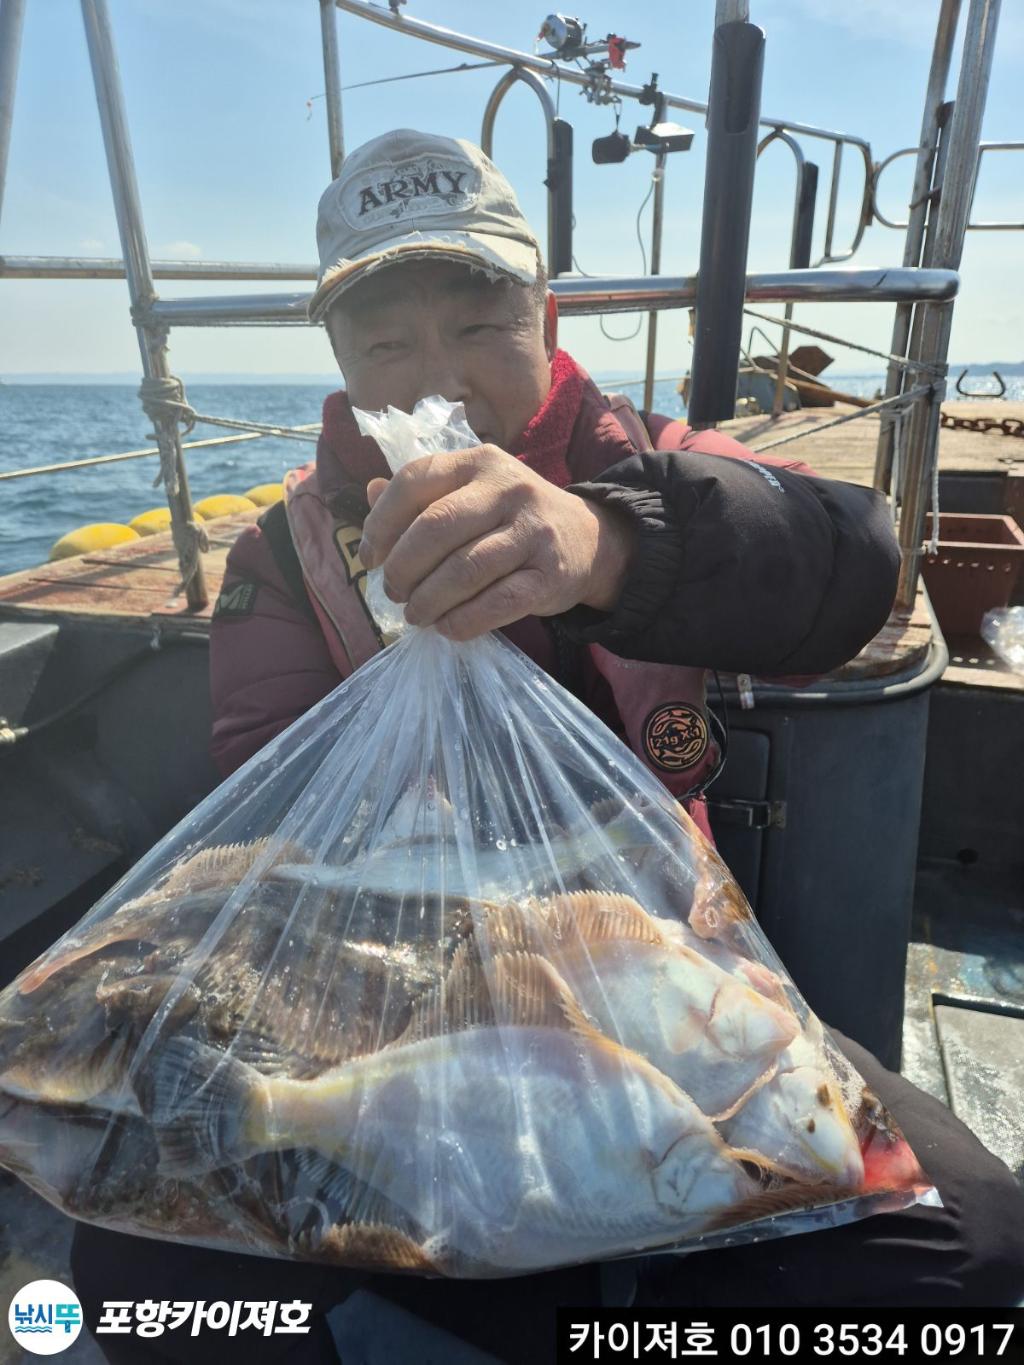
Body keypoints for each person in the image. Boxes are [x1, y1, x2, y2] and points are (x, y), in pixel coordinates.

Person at [71, 130, 1024, 1362]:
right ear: (341, 361)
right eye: (386, 341)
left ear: (546, 315)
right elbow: (271, 787)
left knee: (971, 1255)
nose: (440, 376)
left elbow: (846, 569)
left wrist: (607, 551)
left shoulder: (658, 469)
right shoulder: (283, 554)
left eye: (477, 326)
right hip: (395, 1016)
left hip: (668, 992)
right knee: (127, 1272)